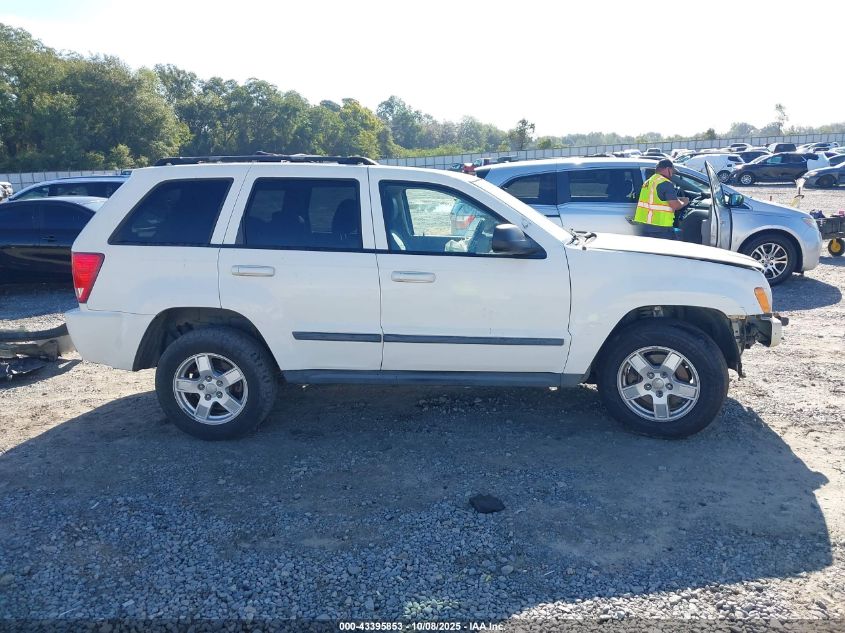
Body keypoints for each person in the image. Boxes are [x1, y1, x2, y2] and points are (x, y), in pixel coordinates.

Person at [633, 159, 689, 240]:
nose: (672, 175)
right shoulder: (666, 183)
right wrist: (685, 202)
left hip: (646, 226)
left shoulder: (649, 182)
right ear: (668, 169)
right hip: (661, 228)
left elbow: (657, 199)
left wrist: (678, 198)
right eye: (672, 172)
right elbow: (675, 206)